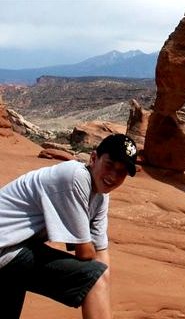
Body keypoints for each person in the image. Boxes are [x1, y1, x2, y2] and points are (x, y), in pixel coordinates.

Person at [0, 133, 137, 319]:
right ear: (94, 158)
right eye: (109, 165)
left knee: (98, 275)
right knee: (93, 277)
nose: (113, 176)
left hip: (16, 245)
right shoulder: (75, 177)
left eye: (121, 172)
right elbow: (85, 252)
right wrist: (99, 281)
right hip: (6, 247)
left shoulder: (101, 195)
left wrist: (103, 283)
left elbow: (101, 251)